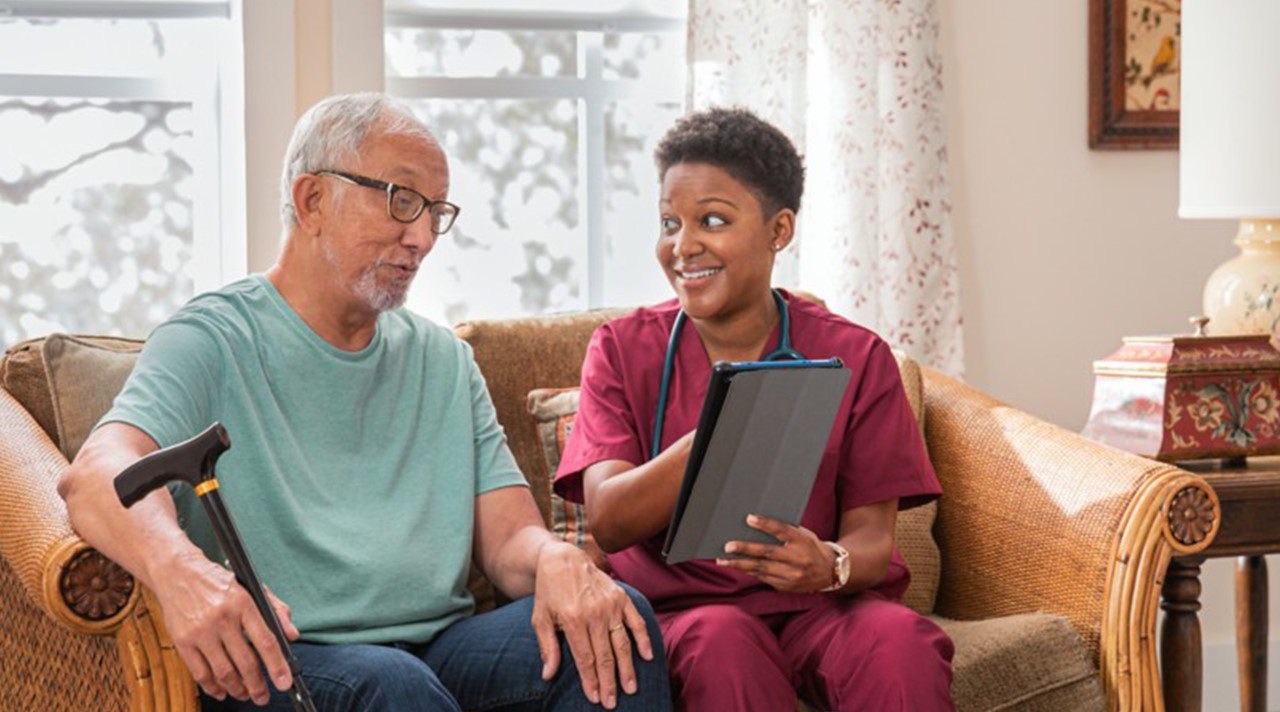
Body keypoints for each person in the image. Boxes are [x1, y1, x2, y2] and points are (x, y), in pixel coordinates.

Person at [59, 92, 670, 712]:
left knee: (623, 621)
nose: (424, 236)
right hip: (290, 657)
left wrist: (555, 561)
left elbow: (510, 541)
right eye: (402, 201)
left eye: (436, 212)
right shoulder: (211, 339)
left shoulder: (445, 360)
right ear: (312, 199)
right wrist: (181, 572)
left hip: (438, 648)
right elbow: (95, 475)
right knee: (391, 683)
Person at [553, 107, 955, 712]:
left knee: (901, 644)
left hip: (821, 609)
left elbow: (871, 542)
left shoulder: (854, 355)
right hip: (689, 615)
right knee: (724, 644)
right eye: (669, 222)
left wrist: (829, 565)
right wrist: (725, 426)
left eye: (711, 220)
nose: (682, 247)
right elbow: (608, 520)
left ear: (779, 229)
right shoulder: (620, 349)